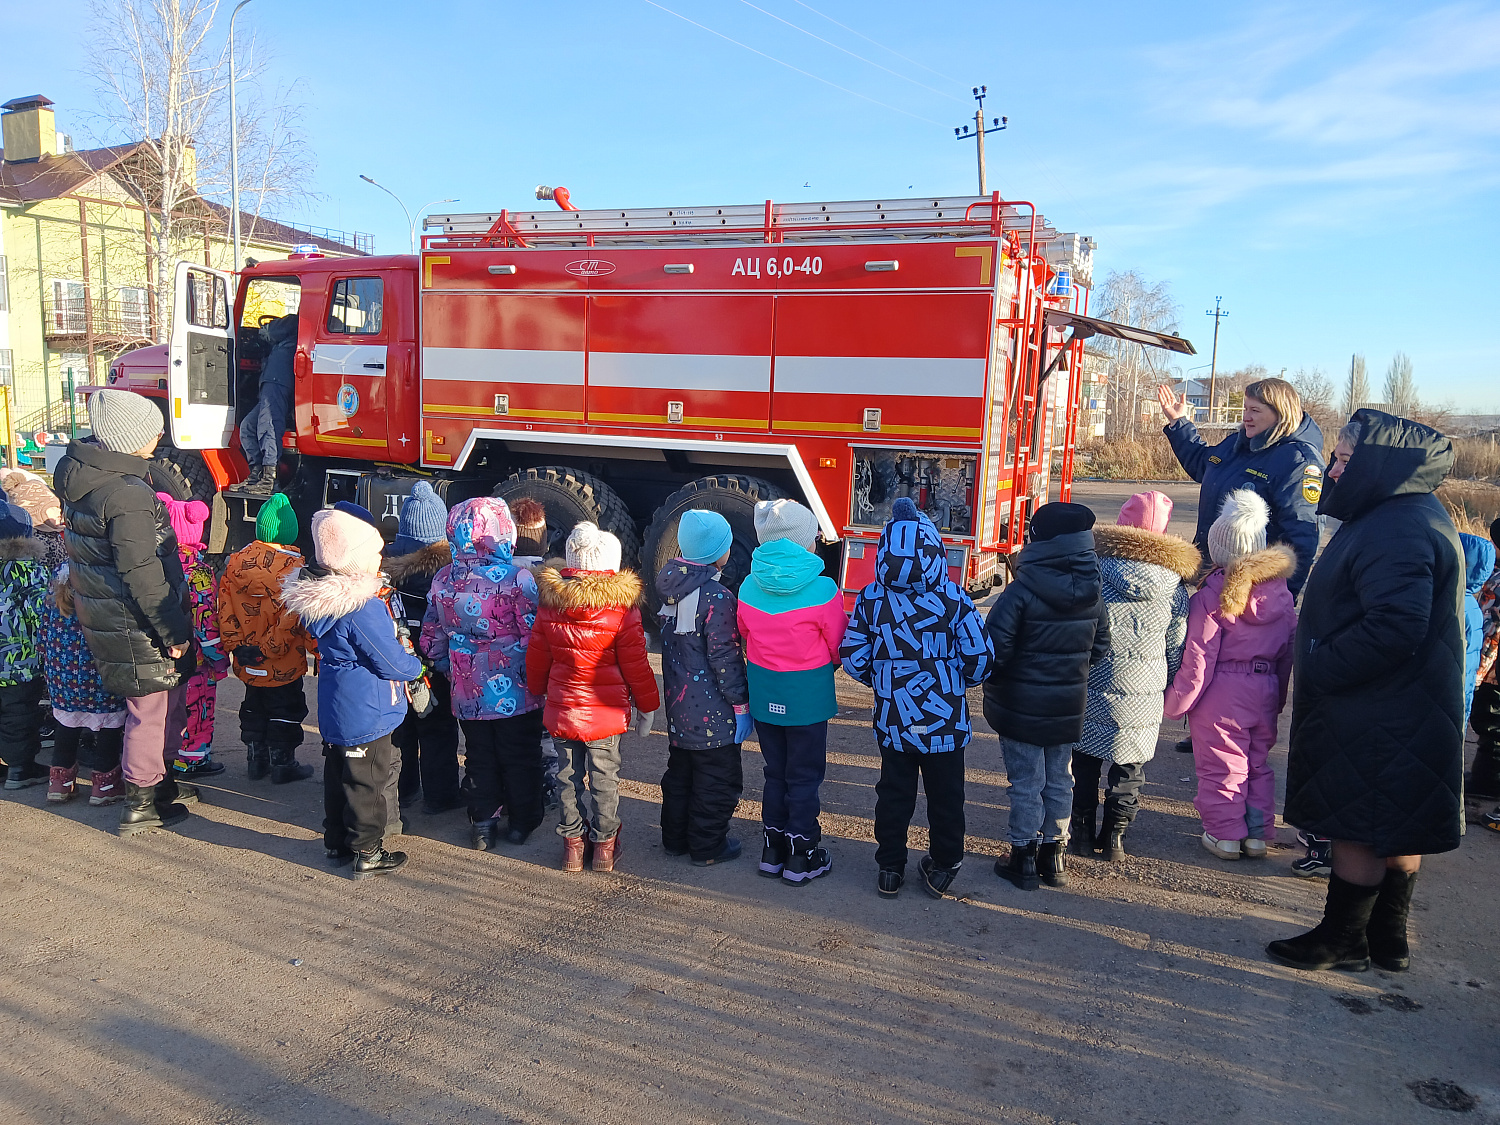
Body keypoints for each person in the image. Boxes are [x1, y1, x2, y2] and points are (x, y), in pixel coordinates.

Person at [1270, 412, 1466, 973]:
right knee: (1399, 819)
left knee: (1361, 819)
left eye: (1344, 460)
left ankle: (1343, 939)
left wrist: (1320, 664)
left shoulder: (1396, 526)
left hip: (1377, 707)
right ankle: (1388, 939)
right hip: (1405, 702)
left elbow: (1395, 625)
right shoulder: (1407, 511)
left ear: (1379, 464)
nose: (1331, 469)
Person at [53, 390, 198, 836]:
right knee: (150, 710)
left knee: (157, 703)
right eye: (151, 429)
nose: (159, 436)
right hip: (138, 620)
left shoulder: (82, 476)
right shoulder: (127, 494)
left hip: (111, 614)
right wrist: (173, 631)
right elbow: (142, 571)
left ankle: (160, 782)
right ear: (130, 438)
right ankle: (141, 800)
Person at [840, 497, 993, 899]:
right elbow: (980, 659)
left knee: (894, 794)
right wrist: (955, 681)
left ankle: (890, 868)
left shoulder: (872, 599)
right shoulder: (955, 600)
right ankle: (943, 865)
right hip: (946, 725)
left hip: (895, 722)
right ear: (935, 552)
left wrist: (884, 680)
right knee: (947, 798)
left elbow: (853, 656)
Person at [283, 509, 424, 879]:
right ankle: (368, 850)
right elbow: (389, 662)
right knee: (368, 783)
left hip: (336, 705)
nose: (381, 558)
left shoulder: (322, 601)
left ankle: (336, 842)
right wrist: (416, 668)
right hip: (369, 709)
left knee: (338, 774)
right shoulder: (363, 607)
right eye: (374, 552)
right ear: (356, 559)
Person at [1164, 490, 1297, 860]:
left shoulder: (1211, 596)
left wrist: (1176, 703)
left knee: (1222, 765)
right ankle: (1256, 834)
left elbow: (1198, 660)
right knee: (1256, 763)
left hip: (1222, 692)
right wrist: (1279, 696)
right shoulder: (1282, 595)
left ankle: (1224, 835)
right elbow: (1287, 654)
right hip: (1266, 687)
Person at [984, 502, 1110, 890]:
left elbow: (994, 649)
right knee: (1060, 778)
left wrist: (1006, 680)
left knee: (1026, 781)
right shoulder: (1094, 591)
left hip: (1021, 706)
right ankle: (1054, 856)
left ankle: (1022, 856)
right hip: (1068, 706)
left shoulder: (1021, 591)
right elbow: (1101, 647)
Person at [1070, 490, 1198, 861]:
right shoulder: (1174, 586)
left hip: (1094, 682)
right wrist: (1165, 681)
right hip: (1143, 690)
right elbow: (1176, 644)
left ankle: (1079, 832)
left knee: (1085, 762)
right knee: (1129, 769)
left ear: (1122, 525)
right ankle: (1114, 839)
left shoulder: (1094, 568)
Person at [527, 523, 660, 873]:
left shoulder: (550, 605)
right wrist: (647, 706)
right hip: (605, 715)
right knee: (604, 779)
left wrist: (538, 691)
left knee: (566, 778)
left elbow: (537, 657)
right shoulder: (621, 610)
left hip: (562, 710)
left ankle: (572, 846)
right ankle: (604, 847)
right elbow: (636, 666)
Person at [421, 496, 545, 849]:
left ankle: (483, 823)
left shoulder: (444, 579)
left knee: (479, 755)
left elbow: (432, 636)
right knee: (520, 754)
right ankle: (522, 821)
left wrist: (447, 668)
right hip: (518, 690)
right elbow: (535, 634)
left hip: (467, 690)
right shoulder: (518, 579)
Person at [737, 499, 847, 886]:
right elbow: (838, 643)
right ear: (805, 542)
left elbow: (746, 636)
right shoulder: (823, 589)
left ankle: (772, 850)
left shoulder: (749, 585)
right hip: (808, 696)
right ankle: (803, 854)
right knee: (804, 776)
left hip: (765, 690)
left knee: (775, 772)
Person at [1156, 377, 1324, 597]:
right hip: (1211, 578)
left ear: (1280, 413)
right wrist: (1179, 423)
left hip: (1251, 593)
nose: (1246, 417)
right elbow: (1202, 463)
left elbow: (1301, 539)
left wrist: (1279, 600)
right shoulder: (1237, 443)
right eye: (1245, 408)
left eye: (1255, 410)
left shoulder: (1299, 462)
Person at [655, 509, 753, 867]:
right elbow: (725, 659)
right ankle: (708, 845)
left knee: (680, 774)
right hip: (714, 712)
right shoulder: (718, 598)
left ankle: (675, 837)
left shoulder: (668, 589)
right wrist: (740, 703)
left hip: (678, 709)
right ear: (719, 553)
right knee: (717, 779)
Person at [218, 493, 317, 784]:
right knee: (286, 708)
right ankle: (282, 763)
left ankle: (255, 758)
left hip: (247, 658)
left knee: (253, 705)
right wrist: (272, 648)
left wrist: (237, 646)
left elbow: (224, 611)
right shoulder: (295, 569)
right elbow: (293, 617)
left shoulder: (235, 564)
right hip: (282, 660)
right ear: (289, 532)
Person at [386, 482, 463, 817]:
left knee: (402, 729)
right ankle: (441, 795)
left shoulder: (386, 571)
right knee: (438, 729)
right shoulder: (451, 575)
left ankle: (404, 790)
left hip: (399, 662)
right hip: (438, 664)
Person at [157, 494, 229, 780]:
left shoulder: (156, 565)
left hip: (163, 656)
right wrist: (219, 659)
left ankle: (164, 755)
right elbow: (206, 619)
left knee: (167, 710)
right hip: (197, 659)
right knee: (197, 709)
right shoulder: (198, 571)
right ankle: (192, 759)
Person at [42, 563, 127, 805]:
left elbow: (44, 634)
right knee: (110, 725)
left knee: (66, 724)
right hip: (100, 673)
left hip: (63, 676)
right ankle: (105, 785)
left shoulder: (56, 591)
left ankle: (59, 783)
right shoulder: (107, 588)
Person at [509, 498, 562, 809]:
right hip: (546, 675)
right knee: (546, 737)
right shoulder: (554, 582)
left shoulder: (498, 577)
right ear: (543, 538)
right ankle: (549, 788)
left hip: (505, 675)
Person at [0, 502, 52, 790]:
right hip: (19, 659)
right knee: (19, 711)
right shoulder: (26, 570)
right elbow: (39, 612)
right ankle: (20, 768)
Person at [239, 313, 297, 495]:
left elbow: (271, 331)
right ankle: (257, 473)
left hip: (277, 379)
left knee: (269, 424)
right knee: (248, 426)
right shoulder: (295, 329)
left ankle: (270, 479)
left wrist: (264, 330)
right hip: (274, 379)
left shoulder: (295, 321)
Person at [1466, 516, 1500, 805]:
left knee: (1491, 722)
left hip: (1493, 670)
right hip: (1493, 668)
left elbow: (1493, 633)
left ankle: (1488, 780)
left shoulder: (1498, 583)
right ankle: (1485, 777)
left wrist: (1478, 672)